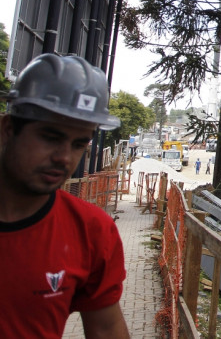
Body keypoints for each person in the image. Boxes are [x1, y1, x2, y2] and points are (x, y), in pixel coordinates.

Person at [0, 54, 129, 338]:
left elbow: (106, 329)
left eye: (78, 143)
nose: (64, 158)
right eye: (50, 137)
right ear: (8, 130)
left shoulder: (92, 232)